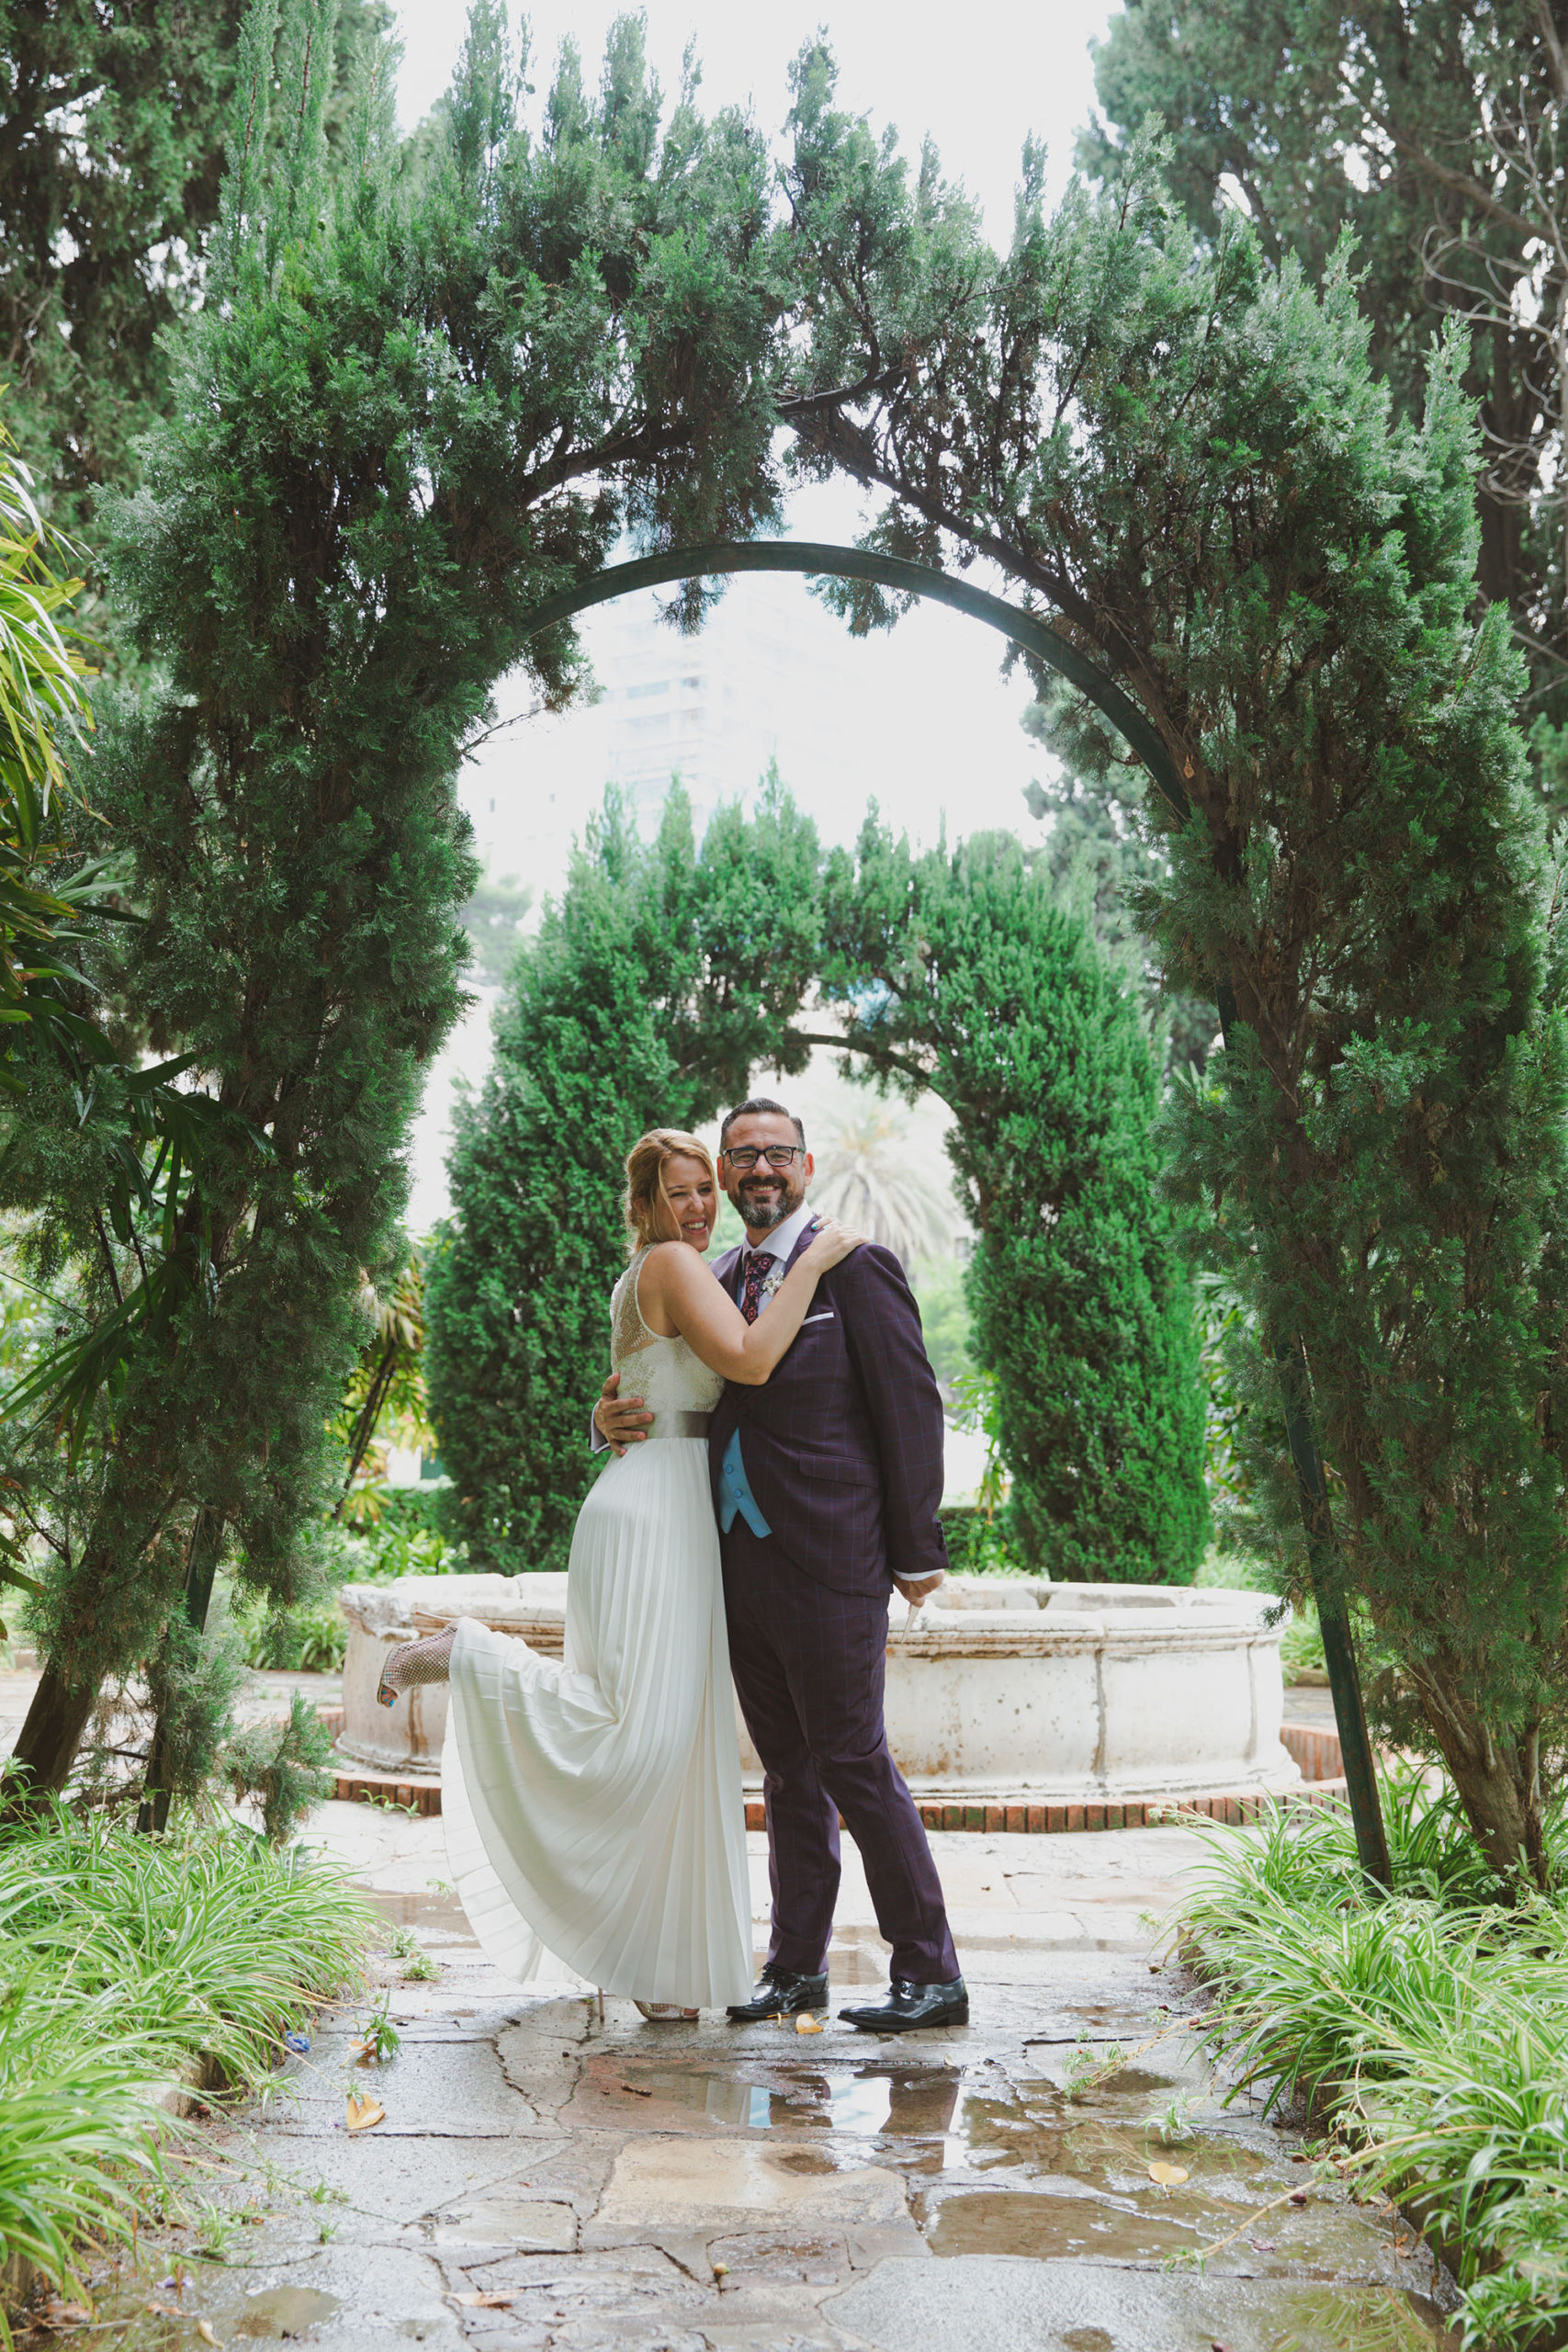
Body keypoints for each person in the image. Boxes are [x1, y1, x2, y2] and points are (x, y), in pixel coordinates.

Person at [376, 1128, 863, 2019]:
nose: (699, 1205)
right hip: (656, 1516)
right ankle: (469, 1652)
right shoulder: (673, 1265)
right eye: (678, 1192)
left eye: (703, 1189)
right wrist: (814, 1262)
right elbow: (751, 1359)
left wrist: (601, 1420)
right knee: (643, 1734)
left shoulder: (671, 1270)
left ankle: (656, 1966)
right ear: (644, 1205)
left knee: (668, 1737)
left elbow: (649, 1388)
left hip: (658, 1498)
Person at [595, 1097, 967, 2035]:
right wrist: (604, 1418)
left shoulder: (856, 1267)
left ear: (804, 1165)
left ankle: (930, 1971)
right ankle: (796, 1966)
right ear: (724, 1174)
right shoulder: (714, 1273)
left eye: (776, 1153)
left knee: (853, 1757)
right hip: (733, 1555)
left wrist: (916, 1552)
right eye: (741, 1156)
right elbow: (667, 1383)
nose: (759, 1169)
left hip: (832, 1553)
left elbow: (910, 1408)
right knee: (789, 1770)